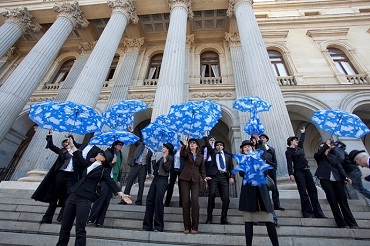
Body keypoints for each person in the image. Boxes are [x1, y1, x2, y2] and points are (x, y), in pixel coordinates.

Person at [56, 139, 131, 246]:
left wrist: (121, 194)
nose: (98, 153)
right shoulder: (88, 164)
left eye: (101, 154)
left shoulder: (103, 171)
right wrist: (72, 145)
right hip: (74, 195)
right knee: (65, 227)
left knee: (80, 229)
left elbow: (111, 183)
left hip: (85, 199)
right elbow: (78, 155)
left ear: (103, 158)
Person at [32, 130, 82, 224]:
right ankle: (47, 218)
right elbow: (51, 146)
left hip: (71, 176)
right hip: (60, 175)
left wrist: (71, 137)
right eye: (66, 142)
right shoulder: (62, 152)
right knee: (54, 197)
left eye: (68, 142)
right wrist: (50, 136)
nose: (67, 143)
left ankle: (63, 216)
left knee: (69, 196)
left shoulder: (78, 152)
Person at [238, 140, 279, 246]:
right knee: (248, 222)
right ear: (242, 150)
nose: (247, 148)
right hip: (248, 193)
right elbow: (242, 173)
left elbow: (265, 172)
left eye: (249, 146)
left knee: (269, 222)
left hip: (261, 192)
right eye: (245, 147)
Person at [314, 140, 358, 228]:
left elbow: (340, 168)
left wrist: (345, 177)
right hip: (325, 180)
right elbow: (319, 154)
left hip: (338, 180)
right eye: (321, 147)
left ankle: (352, 223)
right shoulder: (318, 157)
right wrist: (326, 144)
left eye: (325, 147)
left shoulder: (333, 157)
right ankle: (341, 223)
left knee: (343, 201)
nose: (324, 148)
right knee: (333, 202)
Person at [285, 126, 326, 218]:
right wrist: (291, 174)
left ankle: (318, 213)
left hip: (307, 171)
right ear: (291, 142)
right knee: (303, 192)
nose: (297, 141)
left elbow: (302, 141)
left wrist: (303, 133)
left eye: (297, 140)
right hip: (299, 172)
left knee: (313, 191)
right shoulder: (288, 151)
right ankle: (307, 212)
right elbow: (289, 163)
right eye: (295, 140)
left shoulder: (299, 149)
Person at [88, 140, 123, 227]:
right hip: (105, 179)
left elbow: (119, 168)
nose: (121, 146)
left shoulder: (120, 155)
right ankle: (91, 219)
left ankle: (100, 221)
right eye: (119, 145)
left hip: (113, 180)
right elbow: (103, 166)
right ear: (114, 145)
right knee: (100, 199)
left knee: (106, 201)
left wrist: (118, 179)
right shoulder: (107, 152)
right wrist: (112, 163)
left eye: (122, 145)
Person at [143, 143, 174, 232]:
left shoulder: (170, 158)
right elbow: (156, 168)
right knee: (149, 200)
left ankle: (158, 226)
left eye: (164, 147)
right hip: (156, 179)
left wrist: (165, 160)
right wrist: (153, 160)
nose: (162, 148)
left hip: (163, 180)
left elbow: (168, 169)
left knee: (158, 201)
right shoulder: (161, 158)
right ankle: (147, 225)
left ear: (168, 149)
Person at [179, 137, 208, 234]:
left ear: (197, 145)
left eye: (194, 143)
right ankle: (187, 226)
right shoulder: (187, 154)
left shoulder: (200, 156)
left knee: (195, 201)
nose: (192, 144)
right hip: (185, 179)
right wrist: (185, 144)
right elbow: (182, 153)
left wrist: (204, 178)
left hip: (195, 180)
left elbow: (202, 169)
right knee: (186, 201)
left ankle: (195, 227)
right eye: (190, 143)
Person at [205, 140, 234, 225]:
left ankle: (223, 218)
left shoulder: (228, 156)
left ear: (223, 147)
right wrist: (206, 136)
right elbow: (208, 147)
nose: (219, 146)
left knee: (226, 198)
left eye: (221, 145)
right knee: (212, 195)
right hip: (214, 176)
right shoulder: (213, 154)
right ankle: (209, 218)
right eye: (217, 145)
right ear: (215, 147)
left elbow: (231, 168)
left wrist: (232, 177)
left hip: (224, 177)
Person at [121, 140, 153, 205]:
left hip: (143, 167)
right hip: (135, 165)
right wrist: (132, 131)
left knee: (141, 184)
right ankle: (124, 199)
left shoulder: (150, 151)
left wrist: (149, 172)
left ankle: (139, 200)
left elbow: (149, 162)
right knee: (129, 182)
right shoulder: (140, 145)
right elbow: (135, 141)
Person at [259, 133, 285, 211]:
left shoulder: (271, 149)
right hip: (263, 169)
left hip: (271, 168)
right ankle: (266, 205)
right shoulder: (259, 148)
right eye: (261, 138)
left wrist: (275, 166)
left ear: (266, 139)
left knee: (274, 187)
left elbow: (274, 158)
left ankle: (277, 205)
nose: (262, 139)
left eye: (263, 138)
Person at [164, 141, 185, 207]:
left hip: (181, 170)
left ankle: (181, 203)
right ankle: (167, 202)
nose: (179, 146)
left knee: (181, 186)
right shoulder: (174, 152)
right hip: (173, 169)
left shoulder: (183, 153)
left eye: (180, 144)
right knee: (171, 185)